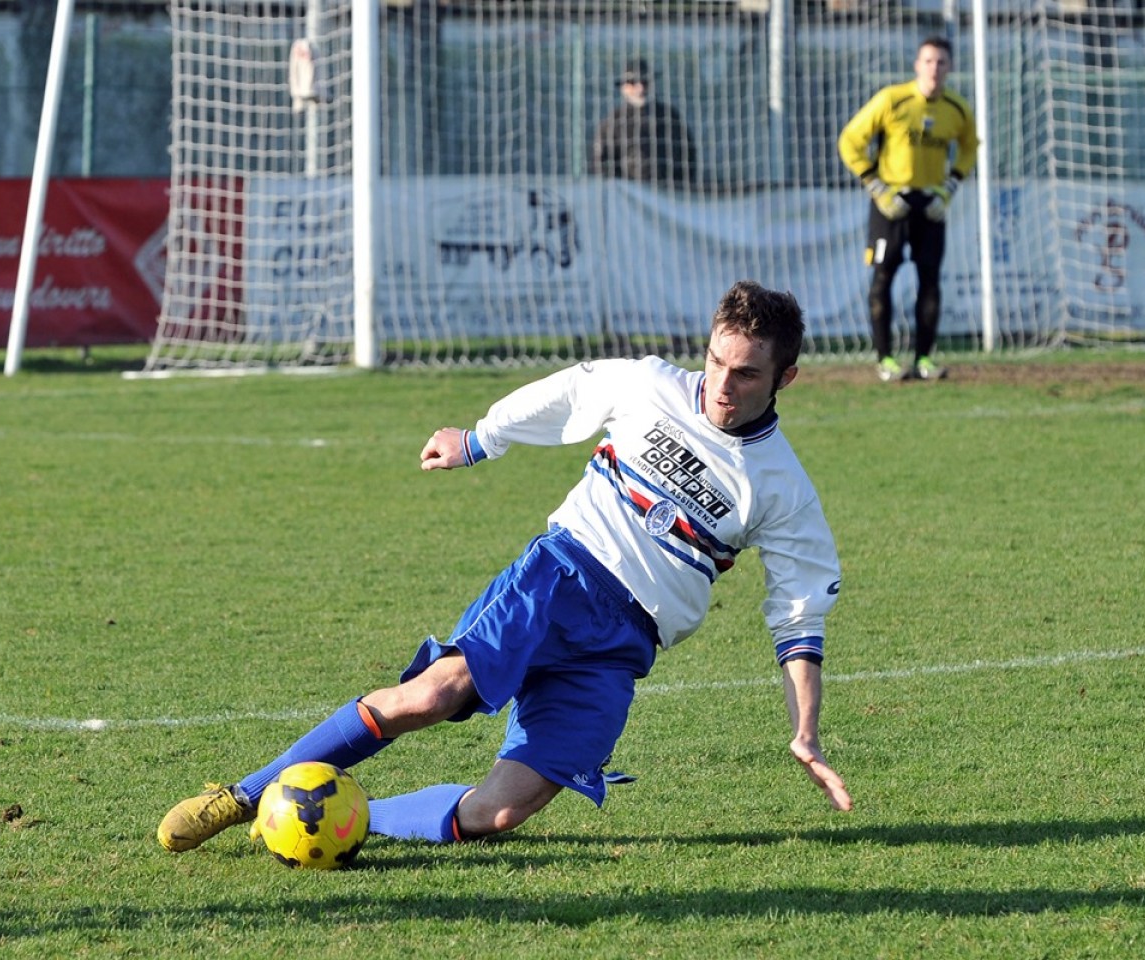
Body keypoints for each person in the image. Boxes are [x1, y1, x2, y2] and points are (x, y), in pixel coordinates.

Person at [157, 280, 852, 853]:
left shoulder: (783, 489)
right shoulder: (648, 386)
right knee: (434, 695)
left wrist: (806, 731)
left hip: (621, 650)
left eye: (746, 372)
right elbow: (566, 393)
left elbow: (798, 620)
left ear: (785, 377)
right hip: (560, 577)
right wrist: (481, 439)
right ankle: (243, 795)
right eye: (715, 362)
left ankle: (328, 820)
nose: (722, 384)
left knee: (499, 813)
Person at [838, 36, 979, 383]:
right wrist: (877, 187)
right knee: (882, 278)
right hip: (891, 204)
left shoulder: (957, 109)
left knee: (929, 280)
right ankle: (885, 359)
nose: (934, 68)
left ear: (950, 68)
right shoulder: (892, 99)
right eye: (928, 61)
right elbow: (850, 140)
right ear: (917, 65)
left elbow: (969, 148)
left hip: (929, 204)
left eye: (941, 62)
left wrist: (948, 189)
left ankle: (924, 360)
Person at [589, 58, 697, 187]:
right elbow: (599, 163)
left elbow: (689, 156)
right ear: (623, 87)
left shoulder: (669, 117)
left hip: (668, 196)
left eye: (645, 81)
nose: (640, 88)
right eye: (633, 82)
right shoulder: (613, 122)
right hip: (630, 198)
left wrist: (679, 187)